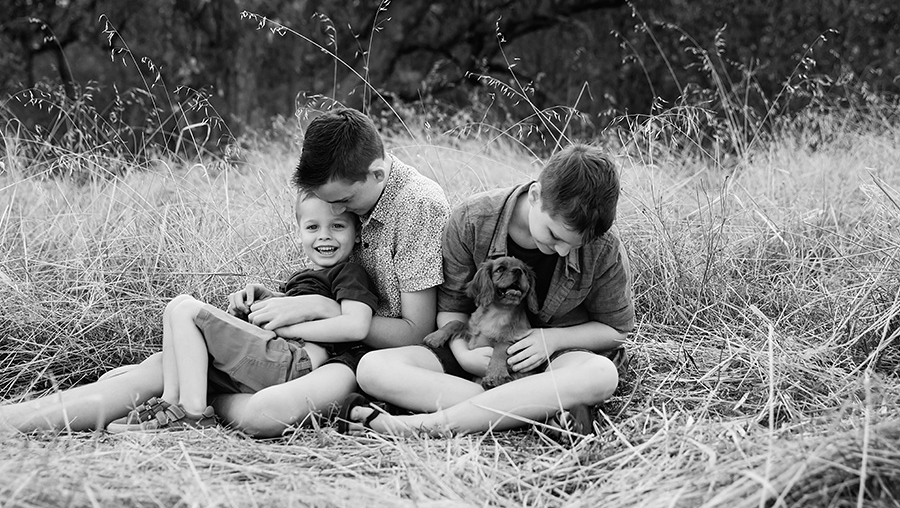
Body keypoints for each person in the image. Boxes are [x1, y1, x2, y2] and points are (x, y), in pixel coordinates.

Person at [0, 107, 449, 437]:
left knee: (259, 413)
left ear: (376, 173)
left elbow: (417, 333)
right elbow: (330, 276)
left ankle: (189, 403)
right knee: (158, 369)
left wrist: (319, 308)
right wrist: (280, 301)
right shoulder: (350, 190)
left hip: (362, 358)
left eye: (344, 204)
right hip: (307, 345)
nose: (336, 214)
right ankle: (16, 421)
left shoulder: (417, 206)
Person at [343, 143, 633, 437]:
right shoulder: (472, 219)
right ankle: (540, 410)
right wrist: (463, 355)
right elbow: (451, 308)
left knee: (601, 374)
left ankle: (421, 425)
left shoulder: (604, 246)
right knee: (372, 368)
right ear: (535, 195)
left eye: (575, 245)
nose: (562, 251)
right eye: (555, 236)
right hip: (479, 350)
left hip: (553, 363)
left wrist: (553, 339)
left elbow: (616, 329)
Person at [105, 192, 379, 432]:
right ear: (299, 232)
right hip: (281, 353)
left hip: (296, 359)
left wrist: (287, 328)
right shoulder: (306, 276)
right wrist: (266, 303)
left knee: (186, 309)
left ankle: (192, 413)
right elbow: (300, 308)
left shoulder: (350, 273)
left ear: (357, 234)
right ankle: (171, 402)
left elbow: (354, 326)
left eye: (337, 226)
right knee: (175, 307)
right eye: (312, 227)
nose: (324, 235)